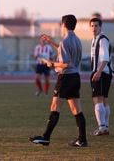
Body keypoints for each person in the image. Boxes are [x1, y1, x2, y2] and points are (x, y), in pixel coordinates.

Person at [29, 14, 88, 147]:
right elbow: (65, 51)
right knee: (77, 109)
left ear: (64, 25)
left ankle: (46, 137)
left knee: (55, 107)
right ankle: (82, 139)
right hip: (75, 77)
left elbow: (66, 63)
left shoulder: (65, 40)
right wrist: (51, 42)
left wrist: (52, 64)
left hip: (66, 77)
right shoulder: (77, 40)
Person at [89, 17, 113, 136]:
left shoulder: (102, 40)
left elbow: (105, 59)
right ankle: (105, 126)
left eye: (96, 26)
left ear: (100, 27)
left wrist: (98, 72)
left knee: (97, 99)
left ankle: (102, 127)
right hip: (103, 73)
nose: (94, 28)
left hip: (101, 73)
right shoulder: (95, 39)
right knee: (104, 100)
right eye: (92, 26)